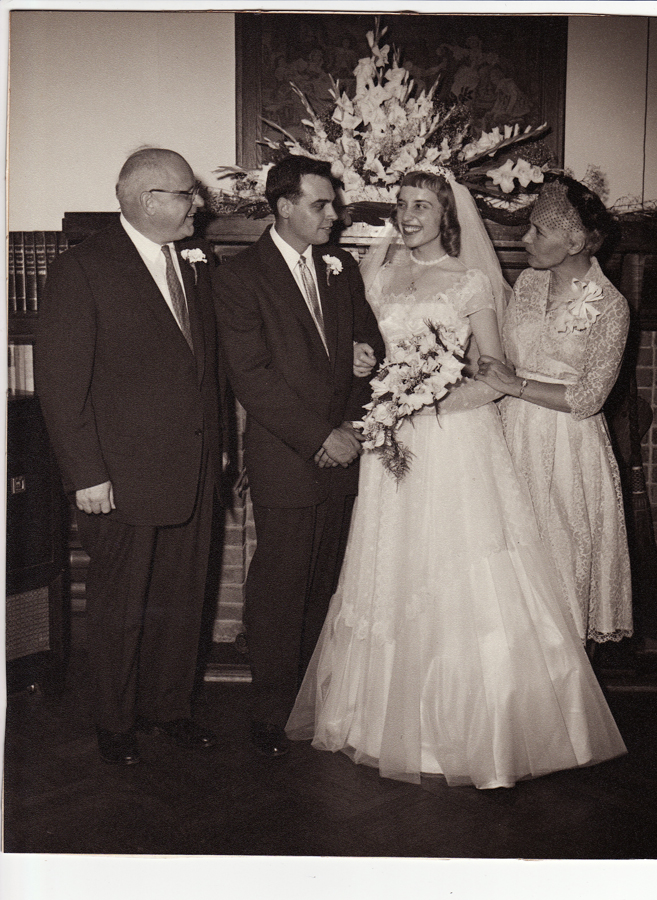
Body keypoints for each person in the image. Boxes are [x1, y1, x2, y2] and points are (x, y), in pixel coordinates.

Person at [286, 169, 627, 789]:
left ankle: (475, 731)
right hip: (393, 444)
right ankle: (378, 722)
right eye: (402, 204)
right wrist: (374, 375)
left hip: (454, 443)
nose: (409, 214)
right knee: (390, 571)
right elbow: (359, 352)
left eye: (423, 205)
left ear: (448, 216)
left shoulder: (473, 282)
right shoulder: (378, 277)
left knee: (462, 574)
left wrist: (429, 403)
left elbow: (491, 374)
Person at [35, 148, 226, 766]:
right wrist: (87, 475)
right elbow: (62, 386)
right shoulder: (82, 270)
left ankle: (167, 710)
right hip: (118, 480)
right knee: (120, 608)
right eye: (186, 194)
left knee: (182, 600)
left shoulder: (195, 265)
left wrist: (218, 452)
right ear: (148, 200)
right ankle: (115, 723)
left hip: (191, 472)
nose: (197, 205)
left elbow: (206, 372)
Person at [214, 155, 384, 759]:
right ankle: (271, 709)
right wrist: (321, 436)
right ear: (283, 206)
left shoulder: (342, 268)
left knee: (326, 583)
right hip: (290, 457)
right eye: (320, 204)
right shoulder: (239, 277)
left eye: (333, 204)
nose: (333, 216)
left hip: (345, 448)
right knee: (282, 585)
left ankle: (312, 704)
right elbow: (252, 377)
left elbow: (370, 344)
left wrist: (354, 418)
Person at [476, 176, 633, 646]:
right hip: (509, 436)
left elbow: (589, 398)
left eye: (537, 231)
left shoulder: (612, 306)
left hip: (569, 450)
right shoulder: (526, 284)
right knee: (506, 573)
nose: (524, 239)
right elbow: (497, 354)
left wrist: (517, 384)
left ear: (575, 241)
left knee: (558, 571)